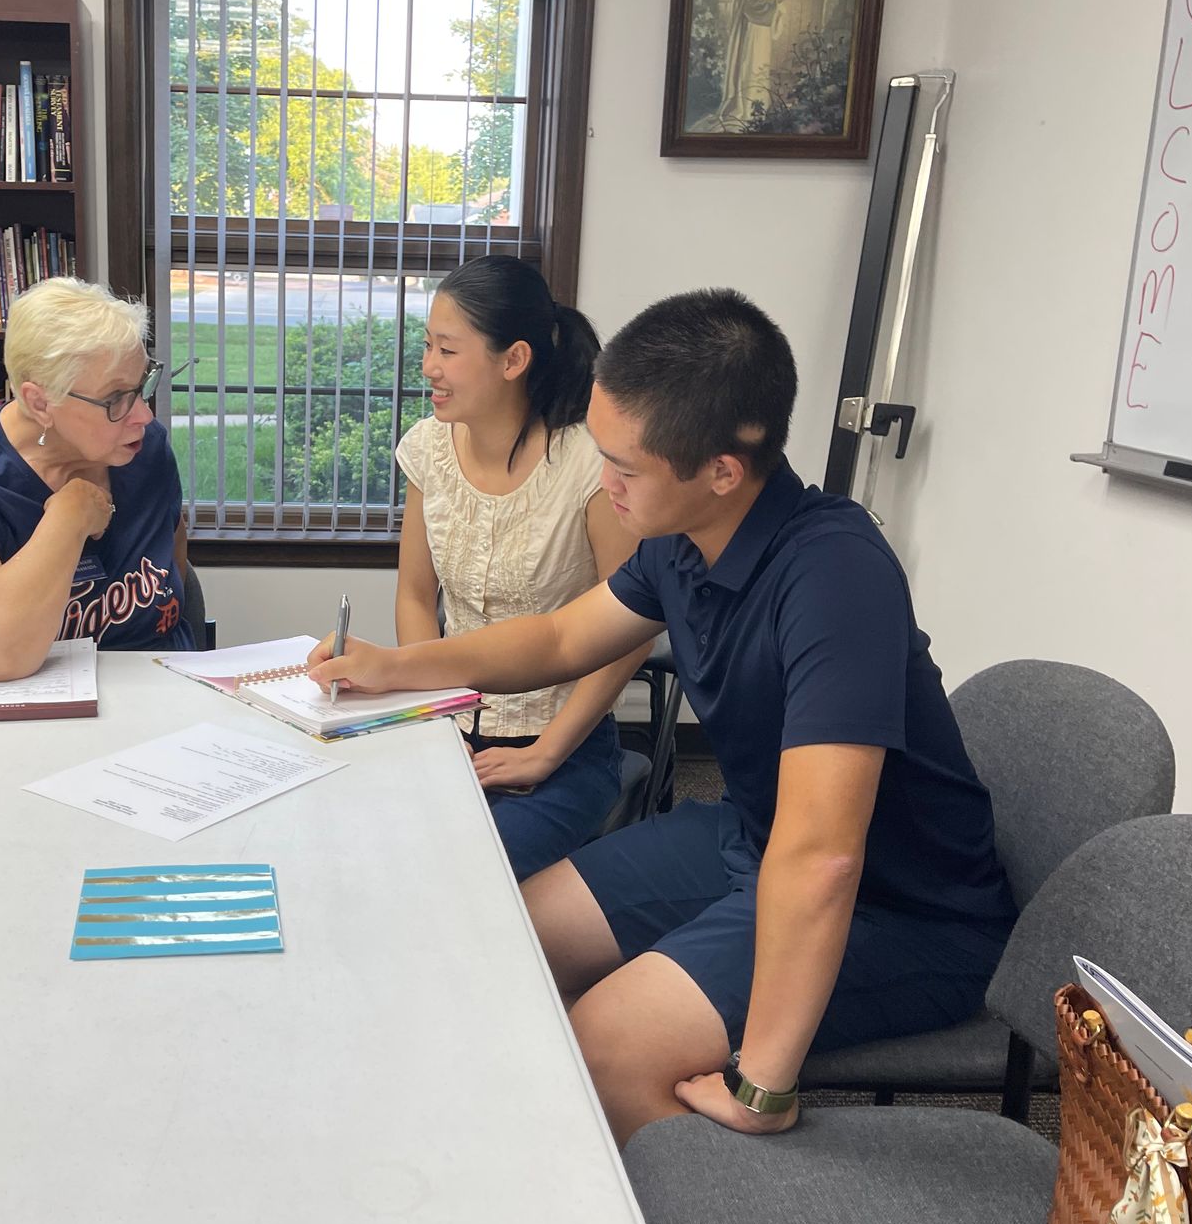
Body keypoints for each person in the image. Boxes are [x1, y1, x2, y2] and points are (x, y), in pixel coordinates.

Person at [309, 288, 1016, 1145]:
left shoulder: (835, 574)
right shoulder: (685, 543)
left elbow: (826, 857)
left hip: (898, 909)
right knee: (499, 936)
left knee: (606, 1049)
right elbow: (564, 636)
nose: (604, 485)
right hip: (749, 840)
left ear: (722, 469)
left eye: (626, 468)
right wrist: (395, 669)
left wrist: (763, 1086)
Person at [398, 256, 647, 880]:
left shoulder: (587, 464)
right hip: (447, 734)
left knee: (460, 873)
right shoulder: (428, 447)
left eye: (448, 351)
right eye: (428, 345)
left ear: (513, 360)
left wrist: (545, 753)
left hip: (561, 751)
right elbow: (413, 594)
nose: (429, 366)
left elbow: (634, 625)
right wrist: (435, 717)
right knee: (382, 849)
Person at [0, 277, 192, 682]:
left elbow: (173, 559)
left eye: (143, 385)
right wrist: (69, 517)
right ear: (39, 402)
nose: (144, 417)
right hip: (17, 713)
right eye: (116, 399)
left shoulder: (146, 451)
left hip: (153, 688)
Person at [697, 0, 796, 132]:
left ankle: (759, 109)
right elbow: (754, 9)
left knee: (761, 70)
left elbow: (778, 15)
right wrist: (779, 0)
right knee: (749, 68)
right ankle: (747, 109)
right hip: (751, 36)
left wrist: (780, 7)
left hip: (764, 38)